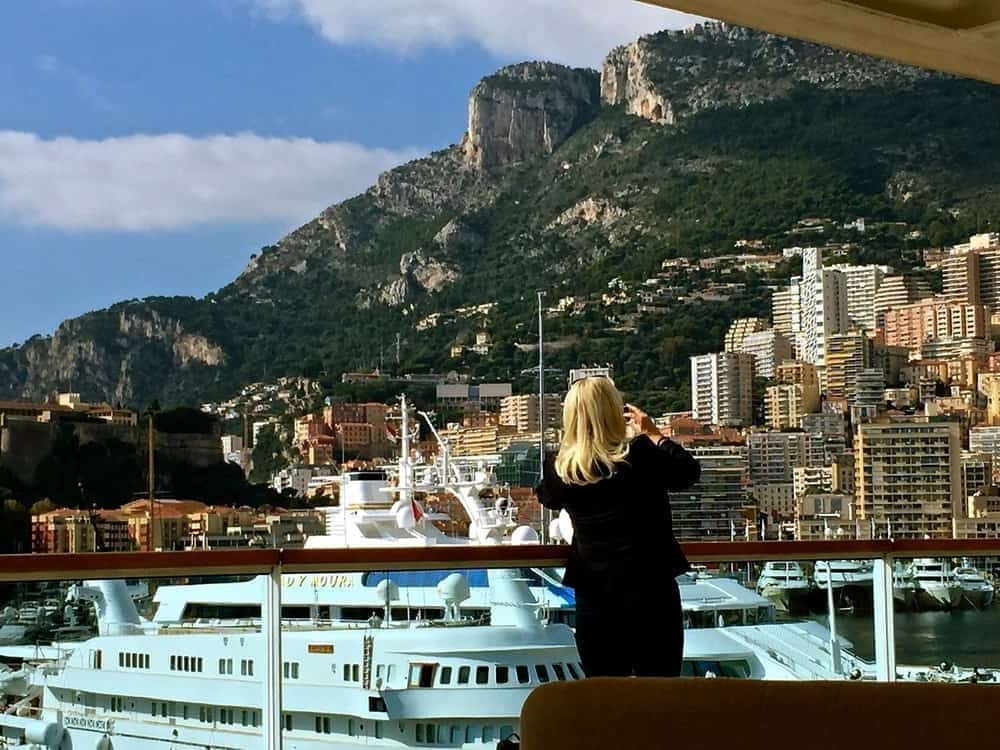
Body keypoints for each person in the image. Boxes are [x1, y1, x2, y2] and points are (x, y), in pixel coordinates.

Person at [536, 376, 701, 677]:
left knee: (605, 694)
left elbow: (546, 497)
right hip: (652, 593)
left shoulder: (560, 469)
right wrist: (653, 433)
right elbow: (688, 471)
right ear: (615, 411)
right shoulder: (641, 455)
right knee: (661, 691)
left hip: (596, 596)